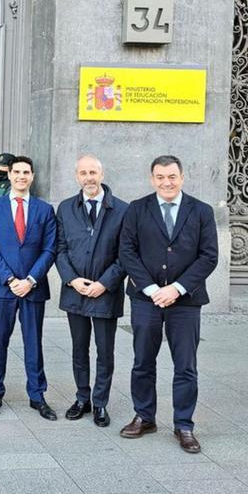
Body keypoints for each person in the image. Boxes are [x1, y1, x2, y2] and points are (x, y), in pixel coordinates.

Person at [118, 155, 218, 454]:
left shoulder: (201, 211)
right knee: (142, 361)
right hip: (145, 300)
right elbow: (127, 252)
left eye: (172, 176)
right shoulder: (137, 209)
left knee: (185, 365)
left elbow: (208, 256)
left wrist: (176, 288)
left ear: (182, 177)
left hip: (186, 301)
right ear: (152, 179)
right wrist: (151, 289)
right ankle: (144, 416)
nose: (166, 182)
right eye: (160, 177)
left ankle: (184, 424)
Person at [0, 156, 58, 421]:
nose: (21, 176)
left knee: (33, 343)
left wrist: (31, 280)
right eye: (17, 172)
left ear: (32, 176)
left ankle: (37, 396)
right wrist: (10, 280)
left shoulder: (44, 209)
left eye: (26, 172)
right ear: (10, 175)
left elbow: (50, 248)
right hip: (5, 288)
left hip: (33, 288)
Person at [55, 154, 128, 427]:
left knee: (104, 351)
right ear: (77, 176)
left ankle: (100, 403)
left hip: (105, 292)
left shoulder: (122, 210)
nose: (89, 178)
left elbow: (125, 254)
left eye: (93, 172)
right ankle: (82, 398)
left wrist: (104, 283)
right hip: (75, 290)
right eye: (83, 173)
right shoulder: (65, 208)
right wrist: (72, 280)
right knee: (79, 349)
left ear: (102, 174)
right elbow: (59, 249)